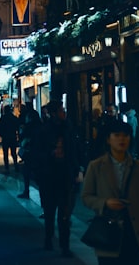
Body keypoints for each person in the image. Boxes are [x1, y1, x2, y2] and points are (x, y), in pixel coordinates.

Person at [82, 119, 139, 264]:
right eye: (117, 135)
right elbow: (86, 197)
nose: (122, 139)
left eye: (125, 135)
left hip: (136, 232)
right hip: (109, 233)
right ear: (108, 139)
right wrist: (105, 203)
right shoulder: (96, 166)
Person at [35, 100, 83, 256]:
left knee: (64, 213)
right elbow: (38, 153)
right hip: (49, 176)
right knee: (50, 212)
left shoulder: (68, 128)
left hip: (65, 176)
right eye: (61, 110)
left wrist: (77, 170)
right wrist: (50, 154)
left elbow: (74, 152)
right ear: (54, 113)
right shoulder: (44, 130)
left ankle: (64, 245)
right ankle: (48, 239)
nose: (64, 112)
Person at [17, 103, 42, 199]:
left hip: (30, 152)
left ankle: (26, 191)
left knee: (27, 172)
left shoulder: (28, 127)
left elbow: (23, 139)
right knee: (38, 175)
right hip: (39, 154)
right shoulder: (41, 126)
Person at [0, 104, 20, 173]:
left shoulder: (3, 118)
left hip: (5, 137)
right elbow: (17, 126)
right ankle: (16, 165)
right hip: (12, 136)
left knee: (5, 153)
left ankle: (7, 167)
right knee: (13, 153)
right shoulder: (13, 117)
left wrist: (1, 135)